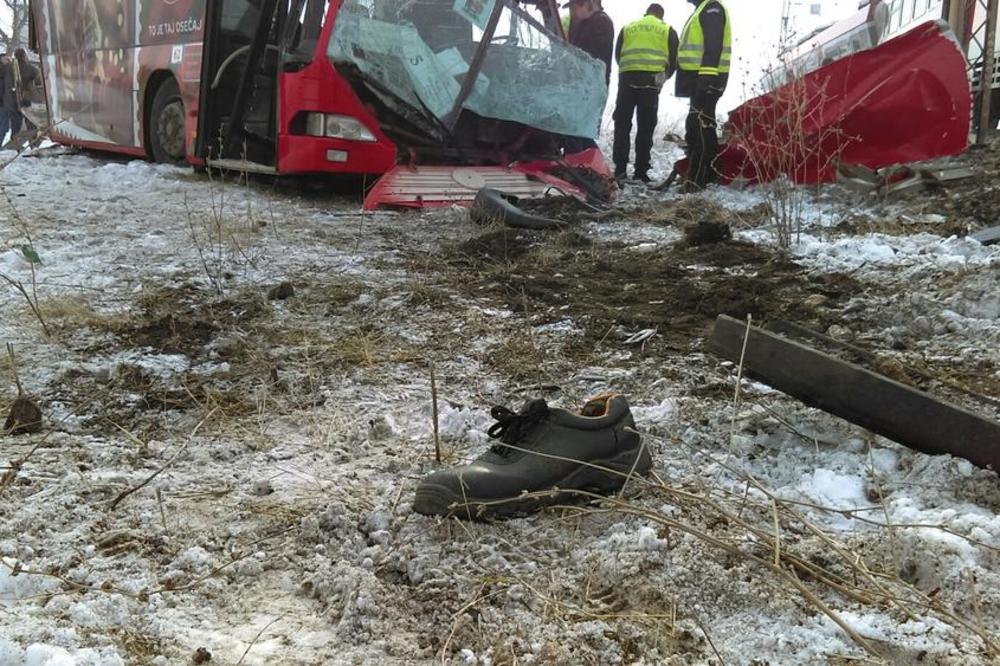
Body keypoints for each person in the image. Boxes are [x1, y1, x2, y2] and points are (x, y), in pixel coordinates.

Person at [611, 4, 678, 182]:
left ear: (646, 14)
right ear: (660, 16)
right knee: (646, 127)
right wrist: (663, 78)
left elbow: (618, 55)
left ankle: (619, 170)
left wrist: (629, 71)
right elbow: (674, 59)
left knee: (622, 125)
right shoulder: (667, 29)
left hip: (627, 79)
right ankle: (641, 172)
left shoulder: (628, 27)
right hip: (650, 83)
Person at [676, 0, 731, 190]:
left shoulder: (711, 8)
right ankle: (704, 175)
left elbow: (713, 44)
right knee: (698, 126)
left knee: (700, 128)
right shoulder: (704, 8)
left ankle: (701, 178)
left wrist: (706, 78)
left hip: (706, 79)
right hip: (700, 80)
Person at [562, 0, 614, 152]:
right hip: (582, 87)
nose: (572, 13)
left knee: (577, 135)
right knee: (576, 136)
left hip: (588, 88)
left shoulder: (600, 22)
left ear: (589, 5)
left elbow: (591, 56)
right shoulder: (586, 23)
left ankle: (579, 169)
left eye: (574, 8)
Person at [14, 49, 41, 131]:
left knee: (15, 124)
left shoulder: (10, 67)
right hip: (26, 98)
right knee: (30, 122)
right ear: (24, 56)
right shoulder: (30, 68)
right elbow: (38, 81)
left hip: (11, 100)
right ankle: (33, 141)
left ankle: (15, 139)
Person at [0, 54, 19, 145]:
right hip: (3, 104)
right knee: (4, 126)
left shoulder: (8, 70)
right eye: (6, 59)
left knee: (5, 126)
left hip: (7, 103)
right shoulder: (4, 71)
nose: (9, 60)